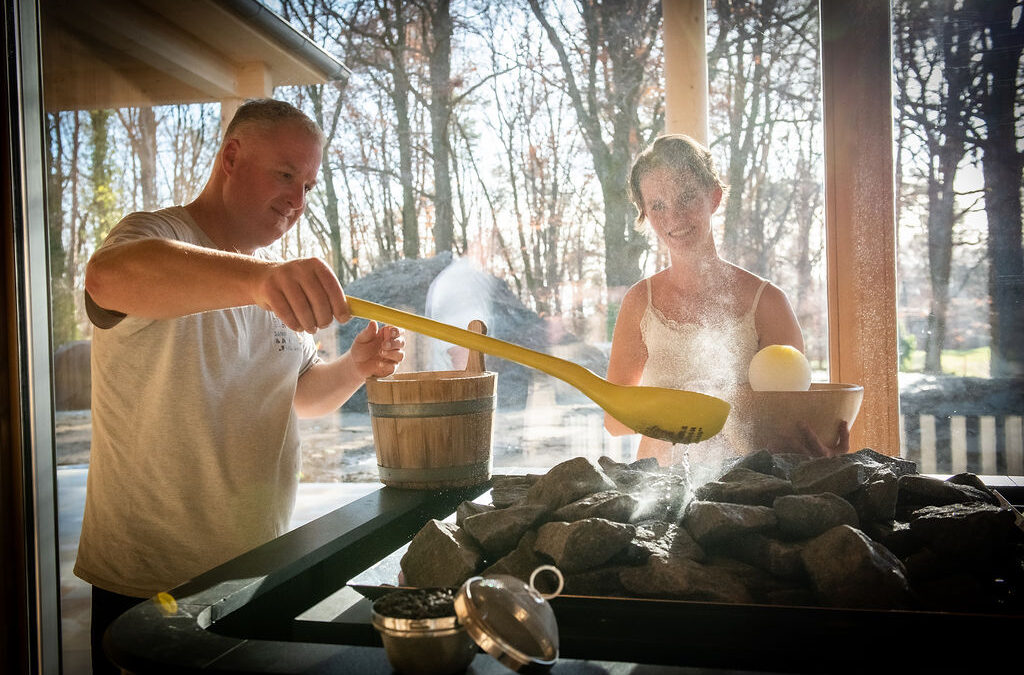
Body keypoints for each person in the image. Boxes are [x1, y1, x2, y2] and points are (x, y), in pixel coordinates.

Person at [75, 98, 405, 674]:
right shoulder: (158, 235)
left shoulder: (269, 281)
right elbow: (107, 277)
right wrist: (260, 279)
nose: (297, 201)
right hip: (150, 581)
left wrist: (356, 366)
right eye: (285, 175)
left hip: (259, 567)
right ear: (231, 156)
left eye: (307, 184)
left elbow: (300, 396)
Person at [604, 134, 846, 468]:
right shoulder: (639, 304)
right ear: (645, 213)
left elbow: (796, 423)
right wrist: (688, 404)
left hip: (750, 490)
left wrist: (821, 454)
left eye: (687, 197)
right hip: (656, 487)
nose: (673, 217)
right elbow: (614, 421)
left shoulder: (768, 303)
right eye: (658, 205)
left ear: (714, 197)